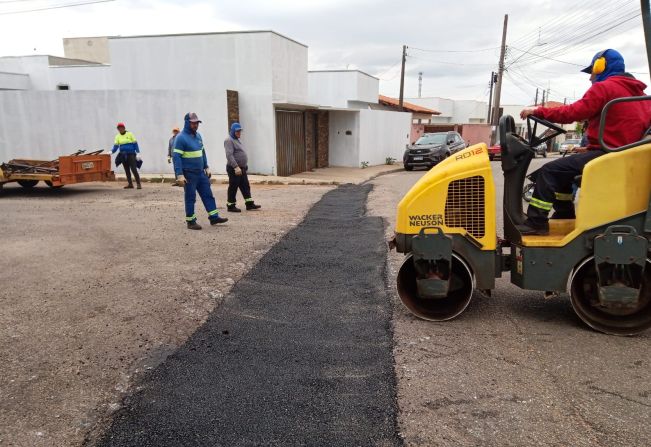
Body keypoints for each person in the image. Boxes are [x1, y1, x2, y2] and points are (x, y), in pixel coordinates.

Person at [518, 49, 650, 235]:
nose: (590, 78)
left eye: (592, 73)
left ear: (601, 66)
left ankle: (536, 222)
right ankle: (564, 215)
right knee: (564, 172)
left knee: (549, 172)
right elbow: (623, 131)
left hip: (607, 155)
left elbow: (572, 113)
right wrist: (589, 148)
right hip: (620, 155)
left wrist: (538, 111)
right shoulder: (640, 94)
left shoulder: (604, 88)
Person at [172, 112, 227, 230]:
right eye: (193, 123)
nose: (195, 125)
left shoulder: (198, 136)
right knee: (190, 197)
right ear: (187, 123)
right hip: (189, 174)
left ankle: (214, 217)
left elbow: (202, 152)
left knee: (208, 195)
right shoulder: (180, 138)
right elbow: (176, 157)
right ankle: (191, 221)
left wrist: (206, 166)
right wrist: (179, 175)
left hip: (200, 173)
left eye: (197, 123)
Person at [224, 122, 261, 212]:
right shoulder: (229, 140)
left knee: (245, 186)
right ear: (232, 131)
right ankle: (231, 205)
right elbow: (229, 155)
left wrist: (244, 165)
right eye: (237, 131)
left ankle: (249, 204)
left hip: (242, 168)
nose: (239, 133)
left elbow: (240, 153)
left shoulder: (237, 139)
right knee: (233, 186)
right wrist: (236, 167)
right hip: (234, 169)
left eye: (240, 131)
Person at [112, 122, 141, 189]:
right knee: (127, 170)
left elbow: (135, 143)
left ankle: (138, 184)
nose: (120, 129)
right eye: (119, 128)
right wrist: (111, 151)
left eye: (121, 127)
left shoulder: (130, 134)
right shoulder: (117, 136)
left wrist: (138, 152)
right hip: (123, 155)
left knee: (133, 169)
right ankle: (130, 184)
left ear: (124, 128)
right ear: (118, 129)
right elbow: (116, 146)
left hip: (131, 154)